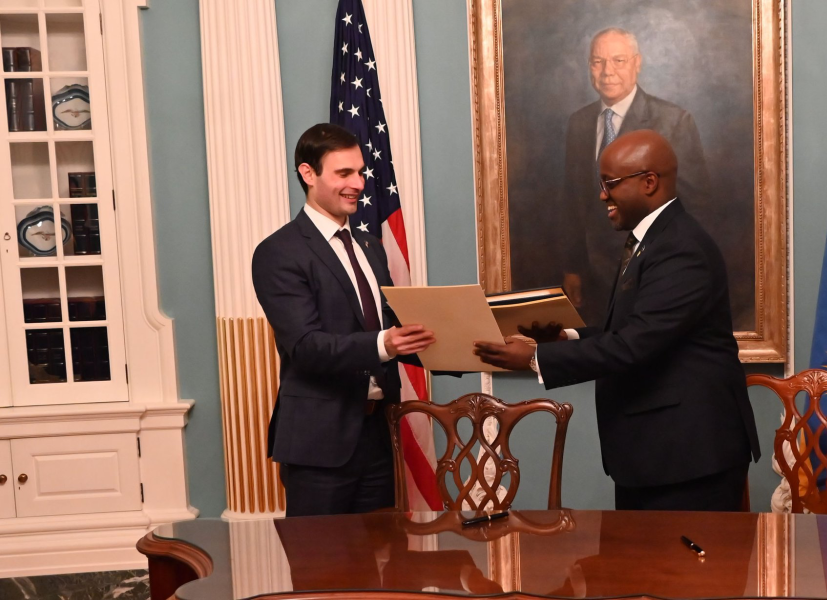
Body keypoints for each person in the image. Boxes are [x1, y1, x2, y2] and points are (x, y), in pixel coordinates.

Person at [475, 130, 759, 511]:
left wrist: (533, 358)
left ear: (649, 183)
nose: (602, 195)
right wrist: (566, 337)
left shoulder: (681, 249)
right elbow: (634, 330)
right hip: (654, 455)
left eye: (609, 184)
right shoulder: (654, 240)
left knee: (685, 571)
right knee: (639, 570)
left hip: (687, 459)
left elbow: (634, 345)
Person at [252, 123, 435, 516]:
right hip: (319, 445)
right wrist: (383, 344)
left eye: (361, 172)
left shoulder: (371, 247)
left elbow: (396, 333)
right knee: (321, 570)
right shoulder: (279, 253)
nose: (359, 183)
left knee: (381, 567)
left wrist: (468, 349)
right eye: (344, 173)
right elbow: (304, 346)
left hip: (378, 436)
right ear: (308, 174)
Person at [561, 27, 712, 326]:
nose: (607, 72)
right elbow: (572, 202)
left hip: (651, 269)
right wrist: (573, 266)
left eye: (618, 60)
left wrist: (665, 265)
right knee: (603, 357)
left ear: (637, 63)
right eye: (597, 62)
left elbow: (696, 205)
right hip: (593, 274)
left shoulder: (673, 121)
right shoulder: (579, 123)